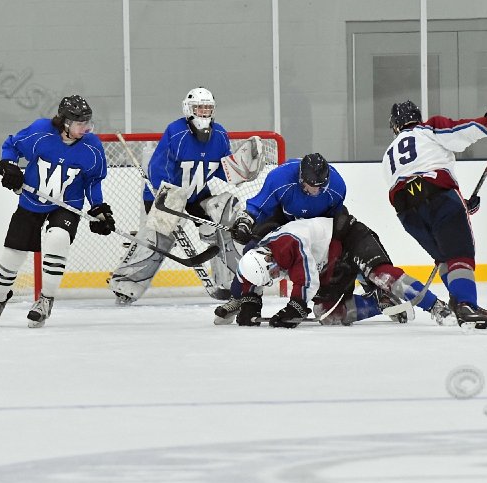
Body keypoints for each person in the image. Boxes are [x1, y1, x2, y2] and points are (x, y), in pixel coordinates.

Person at [0, 95, 116, 328]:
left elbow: (93, 181)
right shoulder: (40, 132)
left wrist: (98, 208)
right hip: (32, 200)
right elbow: (11, 145)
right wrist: (9, 165)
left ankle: (45, 301)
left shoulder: (92, 147)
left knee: (58, 239)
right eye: (80, 123)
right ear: (66, 122)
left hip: (67, 205)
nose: (86, 128)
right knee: (12, 254)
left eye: (88, 122)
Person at [109, 87, 264, 304]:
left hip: (196, 195)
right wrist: (164, 199)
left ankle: (230, 282)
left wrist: (240, 170)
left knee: (226, 212)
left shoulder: (219, 134)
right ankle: (125, 286)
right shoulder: (177, 131)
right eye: (199, 108)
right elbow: (159, 165)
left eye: (208, 108)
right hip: (165, 193)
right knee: (158, 238)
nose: (203, 113)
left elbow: (219, 168)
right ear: (188, 109)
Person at [383, 100, 487, 334]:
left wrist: (461, 205)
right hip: (438, 195)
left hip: (407, 213)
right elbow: (461, 132)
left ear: (395, 125)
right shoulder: (428, 129)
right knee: (459, 252)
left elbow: (413, 189)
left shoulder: (388, 155)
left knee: (445, 257)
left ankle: (458, 301)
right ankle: (466, 304)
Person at [230, 215, 455, 328]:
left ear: (268, 257)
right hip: (331, 260)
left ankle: (436, 306)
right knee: (326, 313)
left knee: (382, 274)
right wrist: (250, 302)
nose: (276, 275)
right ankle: (381, 301)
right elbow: (246, 277)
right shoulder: (256, 257)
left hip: (348, 237)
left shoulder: (289, 243)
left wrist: (295, 307)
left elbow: (306, 279)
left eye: (272, 272)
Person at [213, 153, 347, 323]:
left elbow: (335, 219)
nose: (314, 191)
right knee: (252, 250)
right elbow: (259, 205)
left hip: (312, 227)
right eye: (309, 185)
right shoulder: (280, 178)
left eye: (319, 187)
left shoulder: (337, 187)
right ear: (300, 177)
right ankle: (242, 297)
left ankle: (313, 299)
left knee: (331, 256)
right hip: (283, 218)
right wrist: (244, 223)